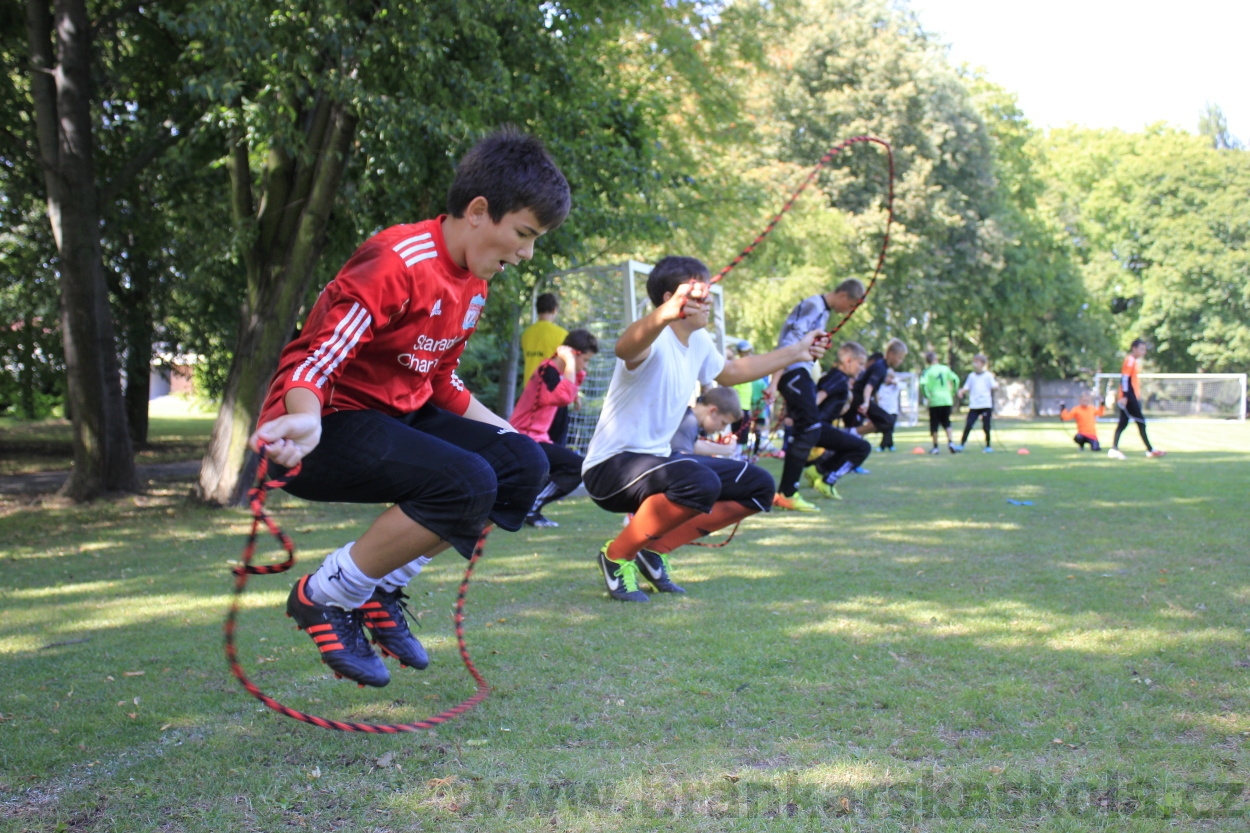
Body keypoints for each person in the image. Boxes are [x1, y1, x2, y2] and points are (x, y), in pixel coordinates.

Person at [247, 130, 569, 687]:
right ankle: (324, 595)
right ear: (477, 211)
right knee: (467, 481)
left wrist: (512, 435)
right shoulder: (398, 260)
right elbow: (314, 361)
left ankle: (380, 587)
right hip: (321, 429)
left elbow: (439, 380)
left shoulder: (473, 284)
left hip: (398, 417)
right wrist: (301, 417)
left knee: (522, 468)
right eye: (522, 234)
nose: (526, 253)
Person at [582, 255, 827, 601]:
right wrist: (665, 315)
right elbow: (626, 347)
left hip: (658, 461)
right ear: (671, 299)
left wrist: (798, 351)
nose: (708, 299)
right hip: (611, 469)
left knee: (757, 485)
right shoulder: (652, 338)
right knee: (700, 482)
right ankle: (616, 556)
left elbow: (732, 373)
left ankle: (652, 550)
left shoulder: (697, 342)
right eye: (698, 293)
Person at [769, 279, 866, 512]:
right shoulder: (813, 306)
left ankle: (794, 487)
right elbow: (787, 344)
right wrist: (774, 383)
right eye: (851, 305)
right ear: (842, 295)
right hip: (792, 371)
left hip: (799, 371)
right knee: (809, 427)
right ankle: (787, 493)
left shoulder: (822, 311)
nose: (849, 311)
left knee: (809, 429)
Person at [510, 329, 599, 528]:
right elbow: (561, 396)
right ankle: (531, 508)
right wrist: (570, 366)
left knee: (563, 465)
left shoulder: (556, 373)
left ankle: (528, 508)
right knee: (577, 466)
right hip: (525, 437)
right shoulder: (547, 370)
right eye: (585, 360)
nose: (585, 366)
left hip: (539, 437)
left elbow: (564, 392)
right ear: (573, 354)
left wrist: (574, 378)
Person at [802, 341, 872, 500]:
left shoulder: (837, 377)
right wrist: (804, 421)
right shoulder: (838, 378)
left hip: (820, 426)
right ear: (848, 361)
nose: (862, 368)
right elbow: (816, 399)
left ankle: (817, 471)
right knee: (863, 448)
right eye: (860, 364)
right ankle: (827, 481)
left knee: (849, 445)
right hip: (818, 427)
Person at [520, 293, 572, 445]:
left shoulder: (527, 334)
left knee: (532, 441)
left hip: (530, 393)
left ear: (537, 310)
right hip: (553, 394)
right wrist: (573, 395)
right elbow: (568, 366)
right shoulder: (561, 334)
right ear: (555, 309)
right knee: (556, 443)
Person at [1109, 339, 1165, 459]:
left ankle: (1114, 449)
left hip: (1131, 396)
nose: (1143, 352)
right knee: (1141, 422)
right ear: (1134, 348)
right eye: (1141, 349)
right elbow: (1125, 379)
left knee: (1124, 423)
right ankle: (1150, 450)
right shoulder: (1129, 360)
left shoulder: (1134, 361)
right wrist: (1125, 396)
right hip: (1129, 398)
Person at [846, 339, 908, 440]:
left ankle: (853, 433)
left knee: (884, 420)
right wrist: (866, 403)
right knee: (887, 421)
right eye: (900, 358)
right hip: (858, 397)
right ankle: (853, 432)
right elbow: (868, 386)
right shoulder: (880, 367)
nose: (900, 361)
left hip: (861, 397)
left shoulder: (883, 367)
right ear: (891, 354)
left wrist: (876, 405)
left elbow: (873, 390)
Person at [671, 386, 742, 457]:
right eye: (723, 423)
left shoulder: (689, 419)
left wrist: (727, 449)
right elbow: (683, 461)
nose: (723, 429)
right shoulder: (688, 423)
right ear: (713, 411)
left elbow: (693, 445)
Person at [919, 350, 959, 454]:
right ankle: (950, 442)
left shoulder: (927, 371)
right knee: (947, 422)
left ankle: (936, 447)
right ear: (936, 359)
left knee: (934, 424)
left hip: (935, 400)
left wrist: (927, 395)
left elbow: (922, 384)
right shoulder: (945, 368)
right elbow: (955, 379)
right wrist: (952, 391)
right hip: (946, 399)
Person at [957, 353, 999, 452]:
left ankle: (988, 446)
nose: (975, 364)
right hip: (974, 405)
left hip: (985, 405)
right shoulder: (971, 376)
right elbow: (966, 387)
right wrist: (961, 391)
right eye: (974, 362)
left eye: (977, 362)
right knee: (968, 425)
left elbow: (994, 385)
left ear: (982, 363)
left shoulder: (988, 376)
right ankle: (961, 445)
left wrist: (996, 386)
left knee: (986, 426)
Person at [875, 370, 901, 451]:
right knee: (887, 429)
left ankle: (882, 446)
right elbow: (878, 397)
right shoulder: (881, 387)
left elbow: (899, 384)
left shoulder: (895, 387)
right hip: (883, 411)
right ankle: (890, 445)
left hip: (892, 411)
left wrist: (893, 380)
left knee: (889, 428)